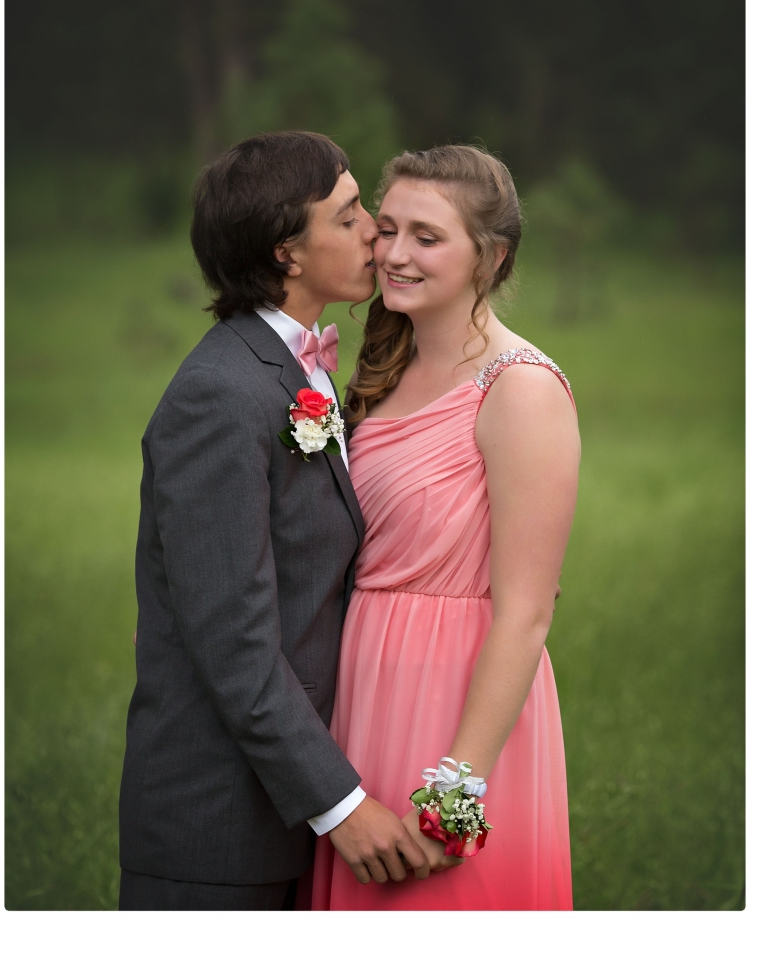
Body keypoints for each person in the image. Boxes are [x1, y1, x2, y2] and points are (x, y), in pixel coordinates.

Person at [118, 131, 430, 910]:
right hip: (218, 830)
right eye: (351, 213)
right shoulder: (219, 396)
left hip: (284, 817)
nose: (376, 232)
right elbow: (234, 641)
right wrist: (343, 803)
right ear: (287, 251)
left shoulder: (296, 370)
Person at [311, 145, 580, 910]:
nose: (394, 253)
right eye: (386, 228)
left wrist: (455, 792)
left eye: (426, 237)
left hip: (458, 706)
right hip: (360, 691)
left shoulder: (522, 389)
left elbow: (526, 612)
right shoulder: (386, 367)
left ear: (489, 258)